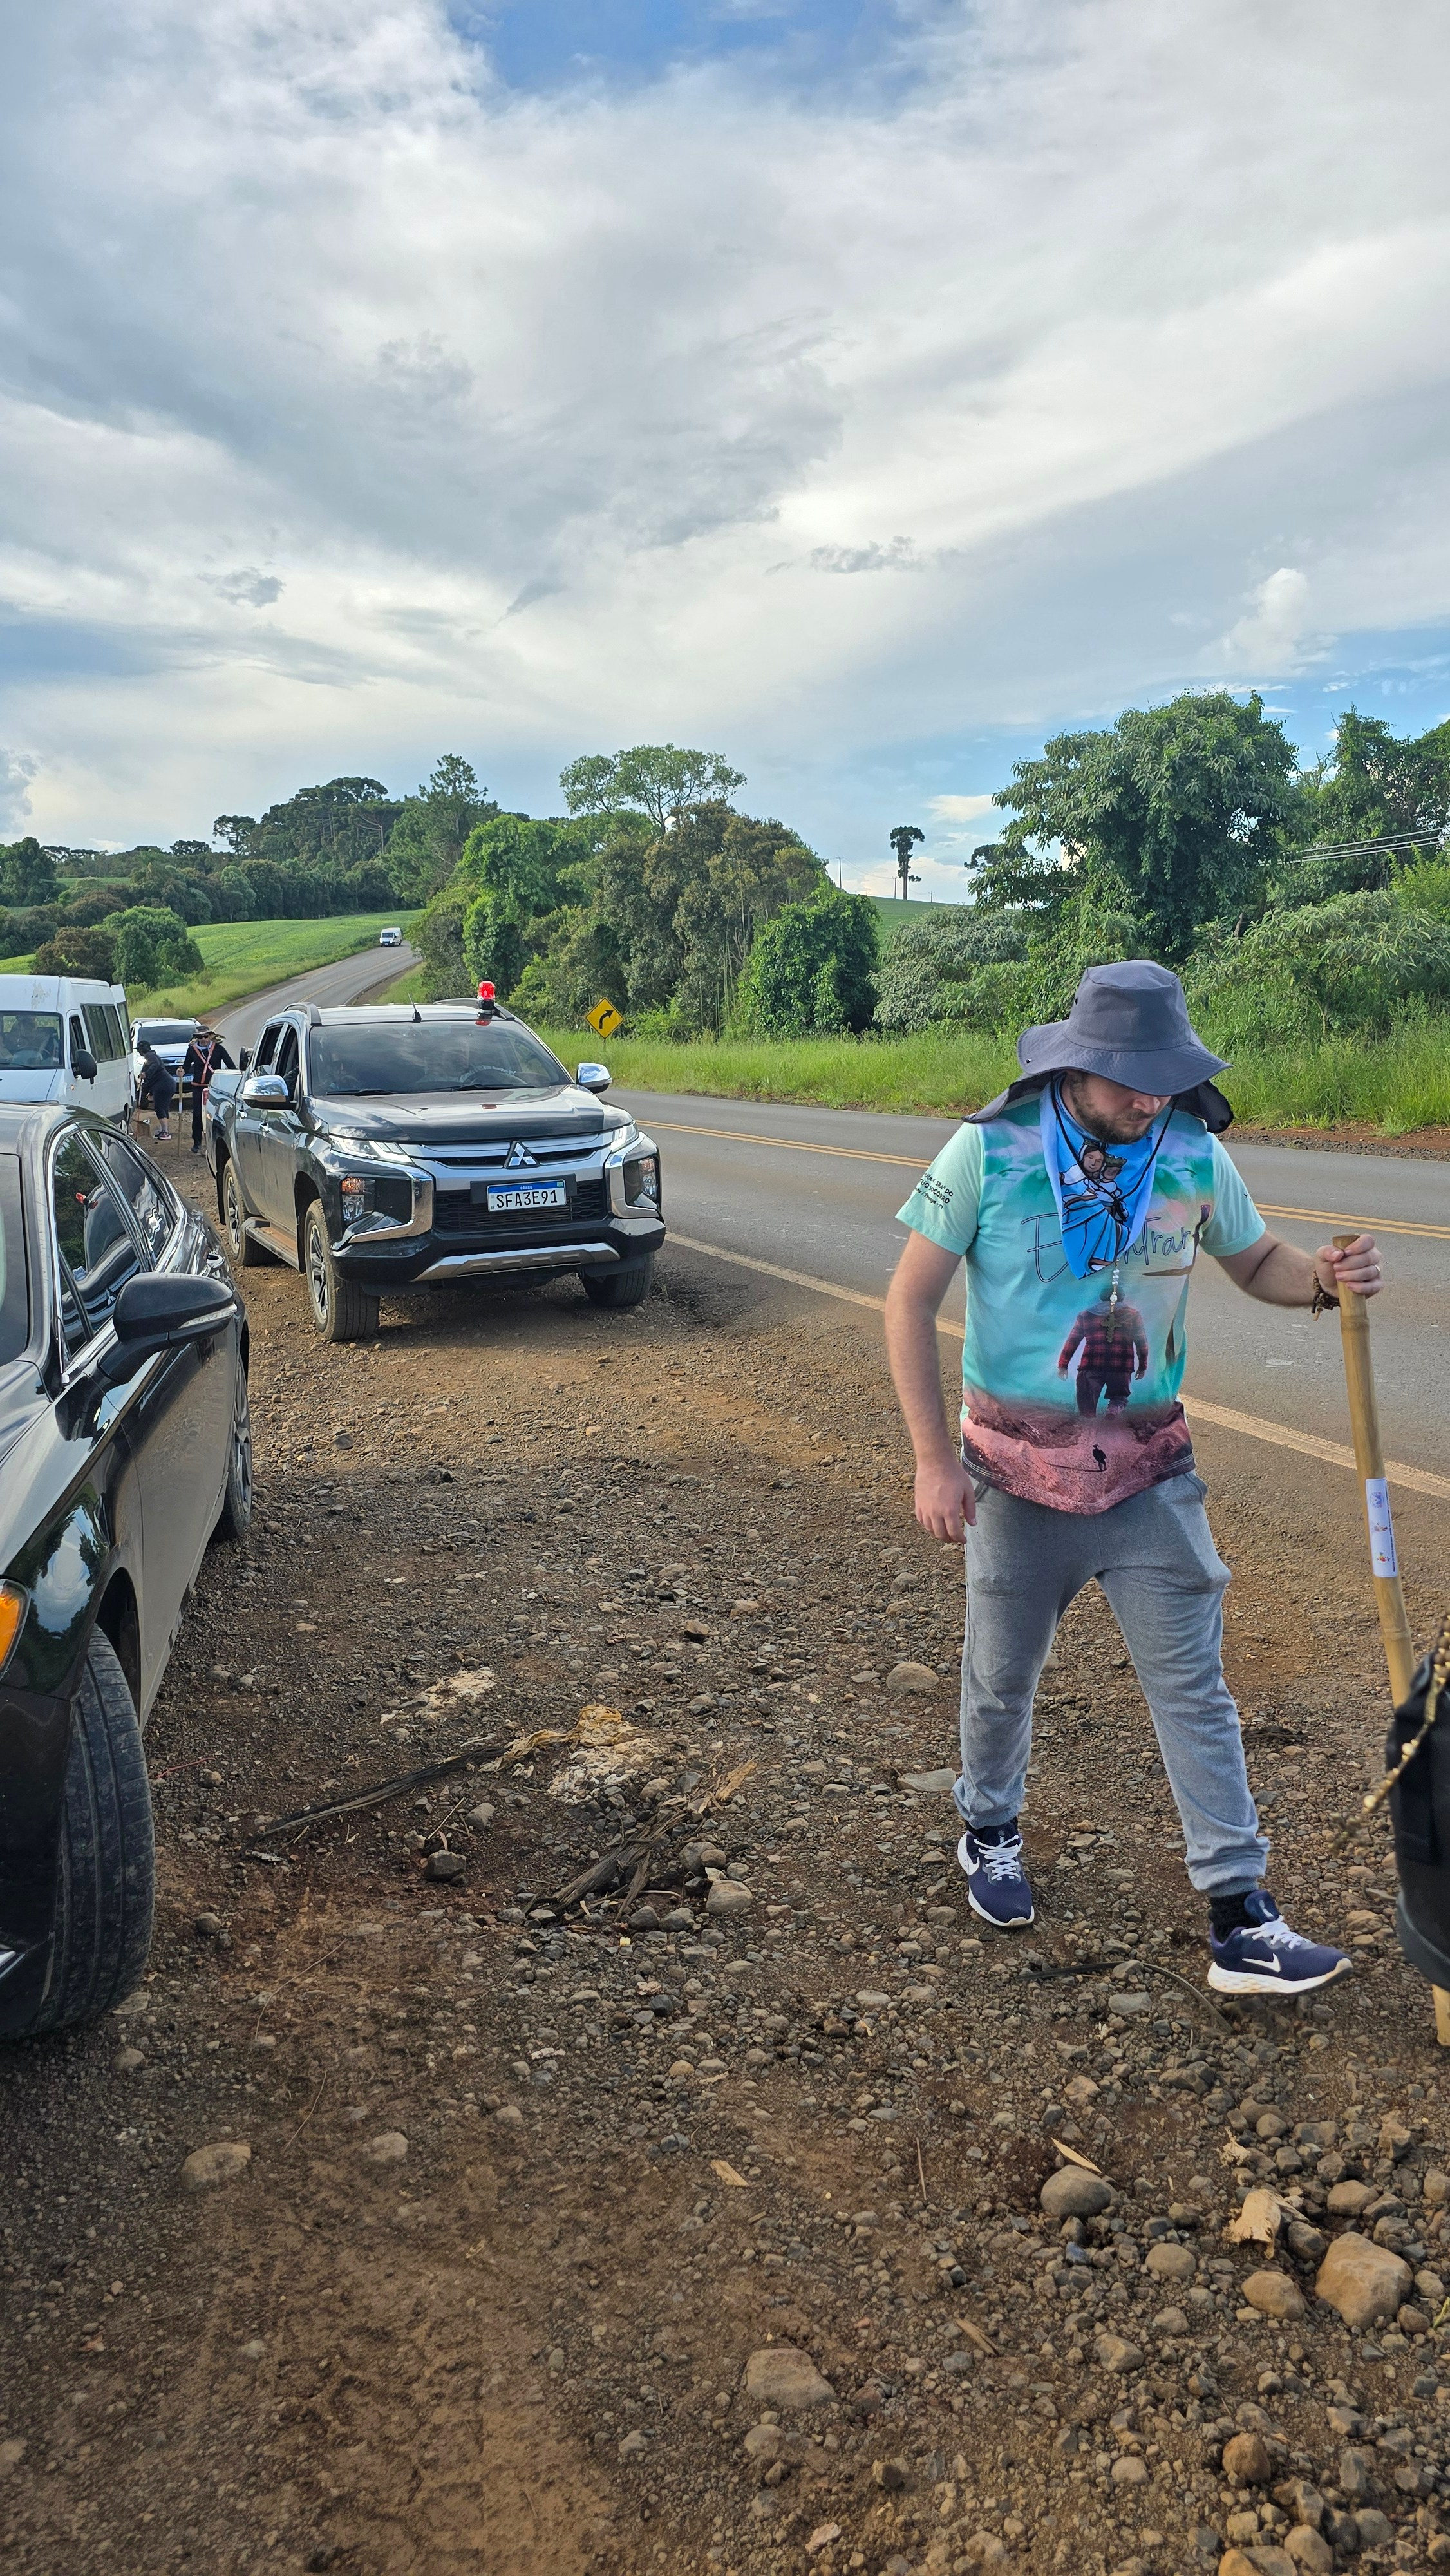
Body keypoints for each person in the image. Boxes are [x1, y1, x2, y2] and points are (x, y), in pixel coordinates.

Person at [883, 958, 1383, 1997]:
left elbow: (1255, 1264)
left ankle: (1240, 1914)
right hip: (1012, 1474)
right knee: (999, 1677)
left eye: (1161, 1076)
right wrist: (934, 1461)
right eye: (1127, 1080)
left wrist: (1323, 1284)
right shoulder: (989, 1148)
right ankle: (988, 1829)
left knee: (1194, 1689)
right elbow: (906, 1302)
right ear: (1077, 1064)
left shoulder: (1193, 1153)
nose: (1146, 1097)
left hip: (1151, 1472)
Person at [182, 1023, 234, 1155]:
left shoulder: (219, 1049)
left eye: (206, 1036)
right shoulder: (192, 1050)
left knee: (215, 1116)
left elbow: (230, 1065)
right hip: (198, 1087)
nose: (204, 1039)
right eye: (201, 1037)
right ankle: (197, 1143)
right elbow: (186, 1066)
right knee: (198, 1115)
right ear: (197, 1038)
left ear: (210, 1036)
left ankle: (215, 1144)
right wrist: (182, 1071)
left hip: (215, 1087)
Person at [136, 1041, 176, 1143]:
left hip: (163, 1085)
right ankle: (164, 1130)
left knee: (159, 1107)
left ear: (141, 1050)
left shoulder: (150, 1056)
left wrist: (146, 1074)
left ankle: (165, 1132)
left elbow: (155, 1066)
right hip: (169, 1084)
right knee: (164, 1107)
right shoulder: (152, 1056)